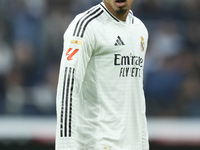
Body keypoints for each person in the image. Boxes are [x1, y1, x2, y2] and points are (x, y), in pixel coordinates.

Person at [55, 0, 149, 150]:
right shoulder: (86, 26)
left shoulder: (140, 29)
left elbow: (136, 93)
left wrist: (143, 144)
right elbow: (67, 90)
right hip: (97, 144)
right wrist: (65, 146)